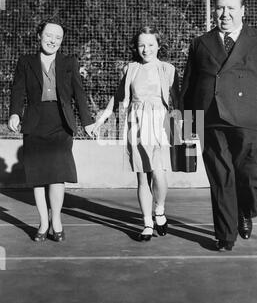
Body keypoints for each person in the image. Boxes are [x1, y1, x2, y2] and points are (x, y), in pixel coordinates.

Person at [180, 0, 257, 251]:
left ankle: (245, 211)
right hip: (211, 119)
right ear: (214, 11)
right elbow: (188, 87)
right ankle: (225, 234)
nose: (224, 14)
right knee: (221, 178)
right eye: (219, 8)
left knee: (253, 177)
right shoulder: (200, 43)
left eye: (230, 8)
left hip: (249, 118)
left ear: (242, 10)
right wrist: (186, 124)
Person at [8, 17, 94, 242]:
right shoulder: (25, 61)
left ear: (62, 41)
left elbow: (79, 93)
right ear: (39, 36)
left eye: (58, 37)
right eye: (48, 35)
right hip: (35, 123)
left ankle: (56, 220)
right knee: (38, 176)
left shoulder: (69, 62)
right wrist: (15, 113)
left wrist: (87, 121)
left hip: (61, 123)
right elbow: (17, 90)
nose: (52, 41)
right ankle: (43, 223)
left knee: (57, 176)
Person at [93, 26, 180, 241]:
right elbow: (117, 97)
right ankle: (147, 224)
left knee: (159, 174)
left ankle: (159, 210)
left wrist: (185, 129)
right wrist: (101, 120)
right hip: (136, 124)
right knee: (143, 178)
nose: (146, 49)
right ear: (136, 47)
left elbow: (178, 101)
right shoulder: (130, 68)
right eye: (142, 44)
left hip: (160, 124)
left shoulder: (168, 70)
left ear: (159, 46)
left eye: (151, 44)